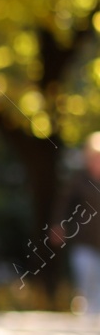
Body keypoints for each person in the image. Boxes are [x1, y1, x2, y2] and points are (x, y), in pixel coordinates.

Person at [49, 132, 100, 314]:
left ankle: (94, 321)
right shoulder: (79, 179)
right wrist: (58, 225)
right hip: (83, 240)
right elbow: (64, 204)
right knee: (86, 278)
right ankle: (88, 314)